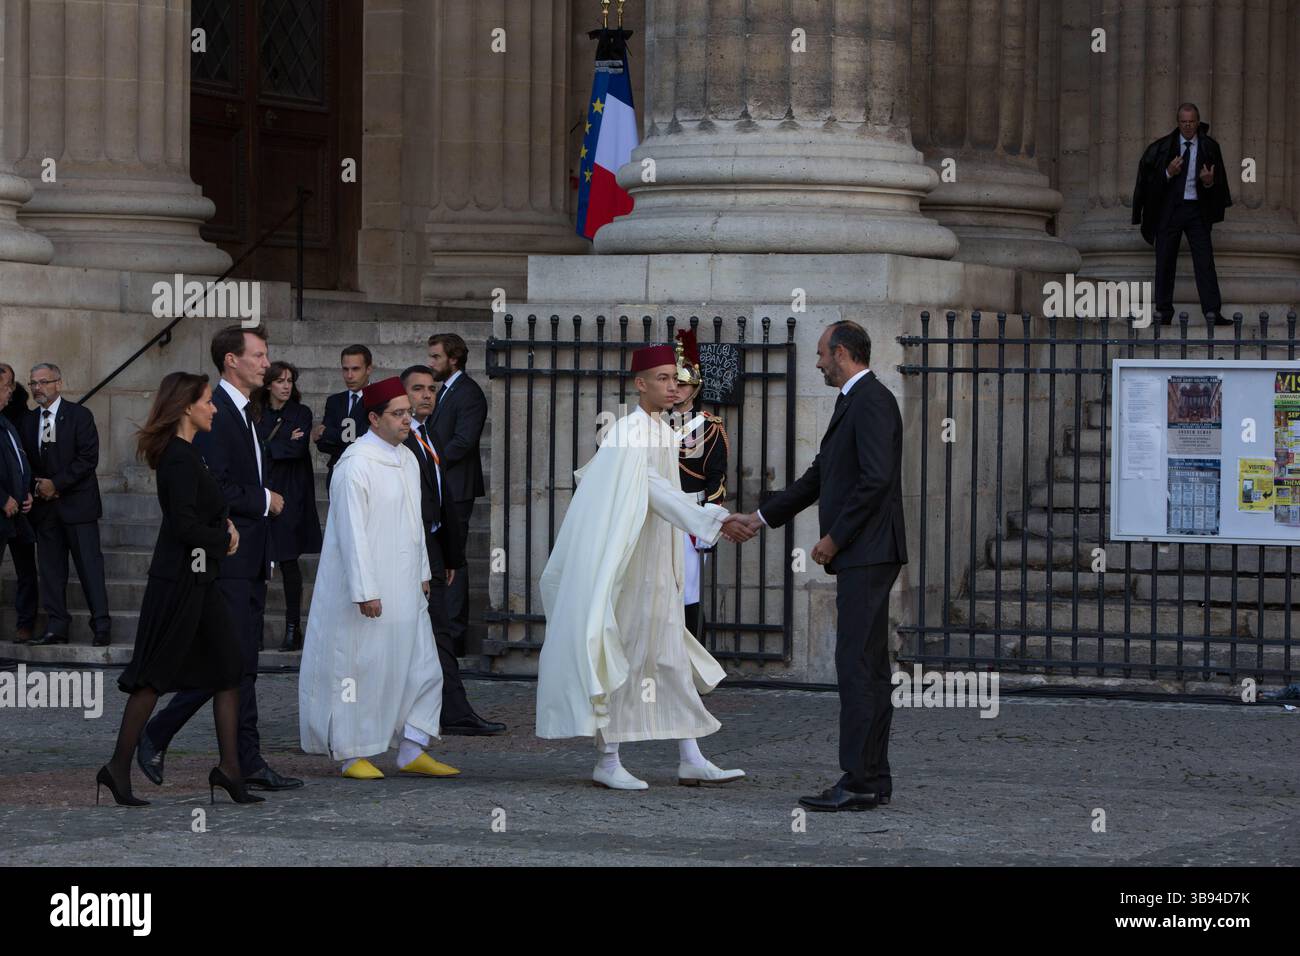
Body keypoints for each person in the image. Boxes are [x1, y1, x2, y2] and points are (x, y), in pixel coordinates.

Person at [535, 343, 754, 790]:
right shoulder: (630, 432)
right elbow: (652, 492)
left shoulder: (659, 431)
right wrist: (713, 519)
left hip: (659, 562)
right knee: (623, 653)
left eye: (676, 379)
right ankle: (607, 759)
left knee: (669, 656)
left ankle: (690, 755)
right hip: (631, 565)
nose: (672, 386)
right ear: (640, 384)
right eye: (662, 379)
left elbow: (662, 494)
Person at [732, 321, 907, 812]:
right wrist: (762, 517)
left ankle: (858, 780)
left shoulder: (871, 400)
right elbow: (819, 478)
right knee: (866, 667)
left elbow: (875, 481)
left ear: (843, 353)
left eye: (821, 354)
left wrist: (833, 538)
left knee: (857, 667)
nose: (816, 363)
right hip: (865, 552)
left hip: (868, 552)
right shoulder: (853, 400)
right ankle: (872, 777)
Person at [139, 326, 303, 793]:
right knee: (229, 662)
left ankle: (242, 760)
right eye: (258, 354)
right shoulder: (216, 412)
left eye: (267, 354)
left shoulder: (246, 412)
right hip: (224, 557)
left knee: (240, 663)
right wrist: (263, 499)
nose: (266, 363)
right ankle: (161, 731)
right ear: (232, 360)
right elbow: (216, 488)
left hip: (250, 558)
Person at [96, 372, 262, 807]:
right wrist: (222, 538)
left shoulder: (190, 454)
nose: (213, 408)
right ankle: (117, 768)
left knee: (229, 668)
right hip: (179, 583)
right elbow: (183, 525)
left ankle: (229, 770)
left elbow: (200, 511)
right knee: (153, 676)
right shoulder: (177, 457)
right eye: (208, 401)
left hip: (201, 579)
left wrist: (221, 523)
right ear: (187, 406)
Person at [299, 377, 459, 780]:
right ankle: (353, 752)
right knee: (363, 669)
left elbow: (414, 523)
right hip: (369, 592)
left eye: (409, 411)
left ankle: (412, 746)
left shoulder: (407, 458)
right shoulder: (355, 464)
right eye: (398, 413)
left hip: (406, 583)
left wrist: (423, 572)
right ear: (373, 418)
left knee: (423, 668)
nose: (409, 419)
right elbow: (351, 535)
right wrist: (365, 591)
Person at [401, 365, 506, 736]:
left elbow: (439, 502)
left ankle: (452, 709)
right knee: (434, 633)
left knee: (439, 632)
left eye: (431, 388)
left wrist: (448, 556)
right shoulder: (403, 442)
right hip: (414, 554)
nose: (426, 395)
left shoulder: (427, 435)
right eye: (417, 389)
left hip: (434, 551)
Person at [21, 363, 112, 646]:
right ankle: (57, 628)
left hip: (78, 507)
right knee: (50, 571)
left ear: (59, 384)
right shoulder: (28, 421)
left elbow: (87, 459)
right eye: (33, 383)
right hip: (45, 510)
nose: (38, 388)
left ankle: (101, 626)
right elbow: (26, 462)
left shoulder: (79, 415)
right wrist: (38, 486)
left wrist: (56, 484)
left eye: (44, 382)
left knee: (89, 568)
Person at [1132, 102, 1233, 326]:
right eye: (1183, 122)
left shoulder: (1209, 147)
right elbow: (1148, 182)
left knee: (1204, 261)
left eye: (1191, 122)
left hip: (1197, 210)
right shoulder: (1162, 148)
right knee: (1165, 260)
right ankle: (1164, 313)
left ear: (1198, 122)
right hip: (1171, 210)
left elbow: (1219, 184)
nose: (1187, 126)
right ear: (1178, 123)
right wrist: (1168, 172)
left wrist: (1208, 183)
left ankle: (1213, 313)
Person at [252, 361, 322, 652]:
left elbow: (296, 449)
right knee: (257, 564)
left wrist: (270, 447)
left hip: (291, 494)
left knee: (289, 563)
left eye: (290, 381)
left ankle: (293, 629)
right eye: (280, 381)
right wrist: (278, 443)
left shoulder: (300, 413)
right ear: (268, 384)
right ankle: (253, 628)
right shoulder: (255, 412)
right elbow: (252, 447)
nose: (285, 386)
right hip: (261, 492)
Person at [426, 333, 485, 656]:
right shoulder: (443, 391)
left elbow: (463, 442)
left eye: (436, 357)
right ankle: (441, 628)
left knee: (455, 558)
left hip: (457, 488)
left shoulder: (469, 393)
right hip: (440, 485)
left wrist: (430, 461)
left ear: (454, 359)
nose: (431, 362)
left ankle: (455, 633)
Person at [670, 329, 729, 643]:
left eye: (682, 384)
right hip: (658, 512)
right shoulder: (653, 423)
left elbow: (716, 480)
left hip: (689, 515)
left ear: (695, 387)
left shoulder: (708, 426)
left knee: (688, 591)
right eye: (672, 383)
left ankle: (690, 657)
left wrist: (708, 523)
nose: (676, 389)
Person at [0, 364, 37, 644]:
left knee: (26, 568)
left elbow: (19, 462)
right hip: (3, 511)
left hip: (18, 514)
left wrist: (26, 493)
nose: (10, 392)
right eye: (5, 387)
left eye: (11, 385)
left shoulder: (9, 423)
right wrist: (3, 499)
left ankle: (26, 623)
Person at [313, 344, 373, 488]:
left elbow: (362, 439)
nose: (349, 375)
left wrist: (326, 432)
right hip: (337, 474)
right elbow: (322, 444)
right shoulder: (334, 401)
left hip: (367, 474)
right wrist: (348, 438)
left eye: (355, 369)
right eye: (345, 369)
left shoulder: (379, 400)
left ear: (368, 369)